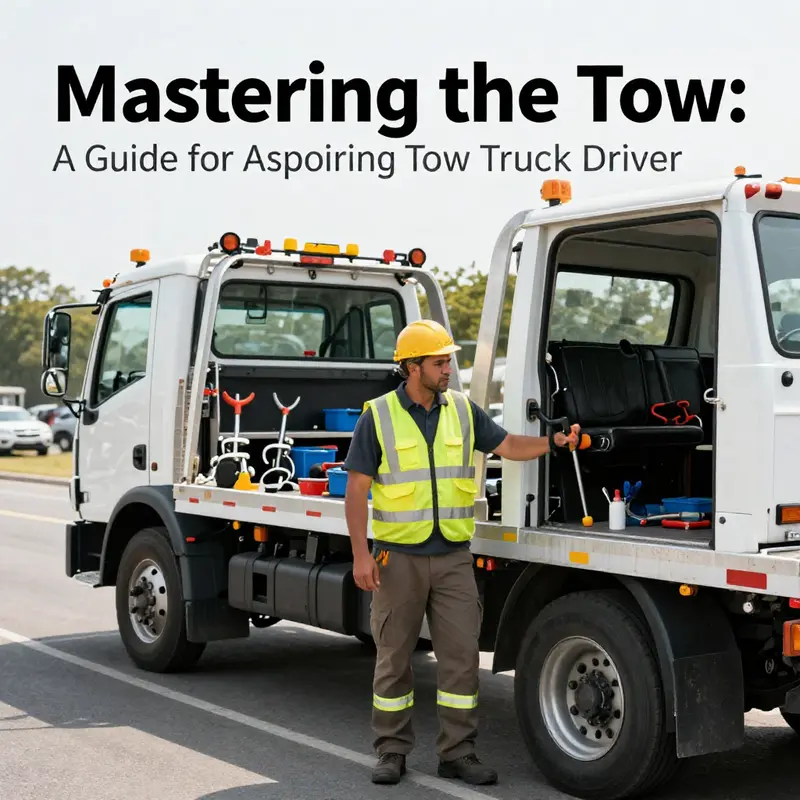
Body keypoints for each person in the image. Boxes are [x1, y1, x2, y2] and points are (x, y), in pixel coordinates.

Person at [343, 319, 580, 786]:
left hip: (453, 558)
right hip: (397, 558)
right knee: (394, 658)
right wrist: (360, 555)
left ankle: (458, 752)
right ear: (412, 367)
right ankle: (391, 750)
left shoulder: (462, 410)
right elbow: (356, 491)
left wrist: (554, 441)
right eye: (439, 361)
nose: (449, 368)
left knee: (461, 661)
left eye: (449, 359)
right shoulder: (378, 415)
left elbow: (508, 444)